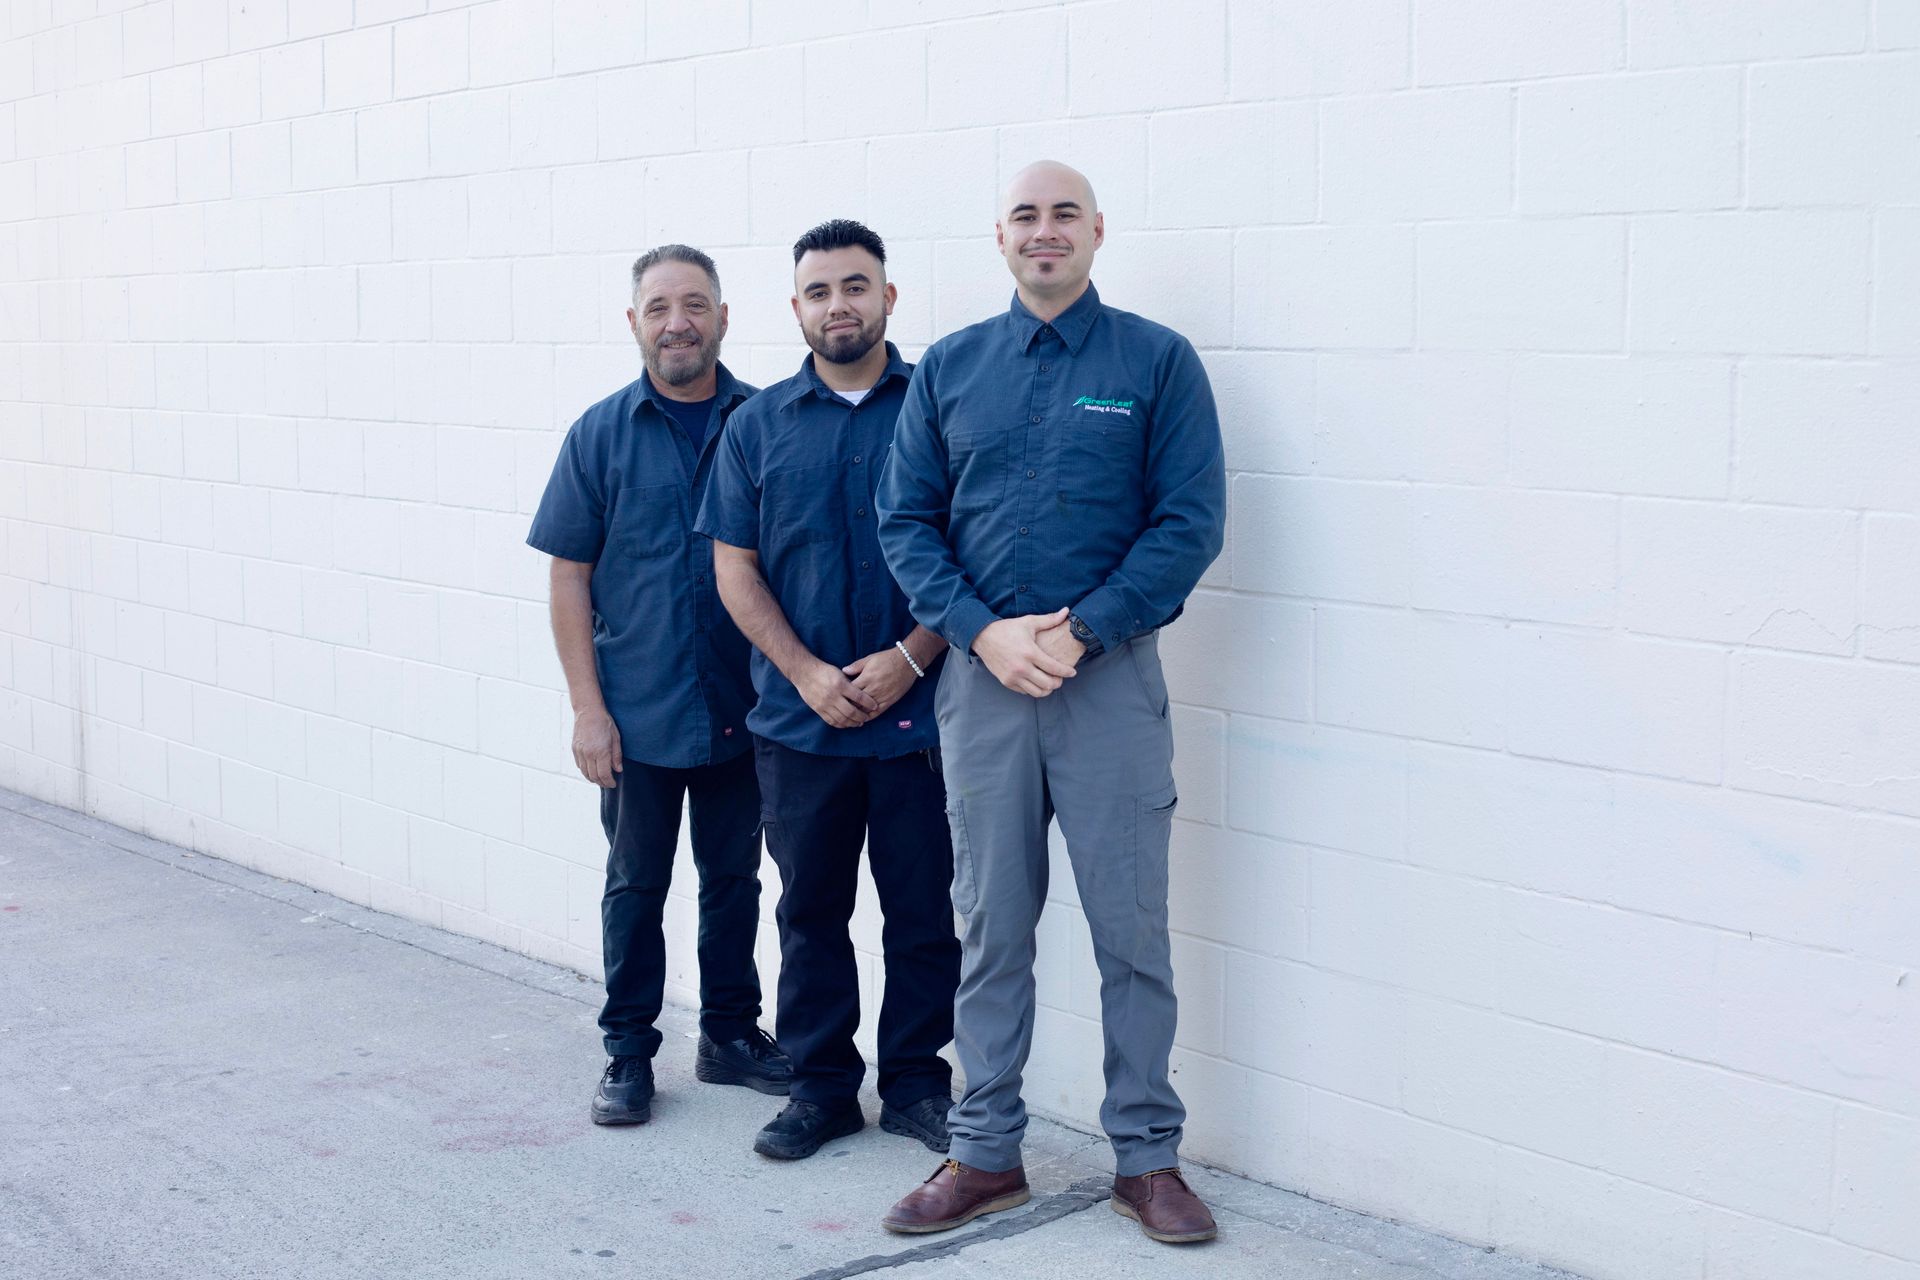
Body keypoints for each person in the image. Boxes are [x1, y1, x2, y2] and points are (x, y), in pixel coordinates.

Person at [874, 162, 1226, 1243]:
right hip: (984, 688)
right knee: (989, 924)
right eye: (1025, 214)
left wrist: (1077, 630)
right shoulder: (952, 369)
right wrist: (983, 631)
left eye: (1063, 213)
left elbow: (1188, 523)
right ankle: (985, 1151)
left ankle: (1146, 1158)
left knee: (1131, 930)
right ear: (1000, 237)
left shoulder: (1155, 363)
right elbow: (906, 520)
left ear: (1097, 231)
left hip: (1107, 682)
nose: (1044, 230)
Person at [698, 219, 961, 1161]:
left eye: (856, 286)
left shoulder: (938, 405)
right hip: (798, 725)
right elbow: (736, 569)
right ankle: (821, 1090)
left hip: (922, 719)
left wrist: (912, 655)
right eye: (819, 290)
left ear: (888, 297)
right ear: (797, 308)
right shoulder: (755, 426)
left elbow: (974, 554)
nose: (838, 304)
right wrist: (805, 672)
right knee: (810, 914)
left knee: (924, 911)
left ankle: (922, 1087)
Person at [527, 244, 791, 1128]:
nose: (677, 321)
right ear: (633, 321)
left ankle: (728, 1036)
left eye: (695, 303)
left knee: (734, 882)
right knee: (636, 885)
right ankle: (628, 1054)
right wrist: (587, 710)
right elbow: (569, 577)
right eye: (659, 306)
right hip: (636, 718)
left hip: (743, 710)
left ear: (723, 316)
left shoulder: (766, 421)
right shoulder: (598, 434)